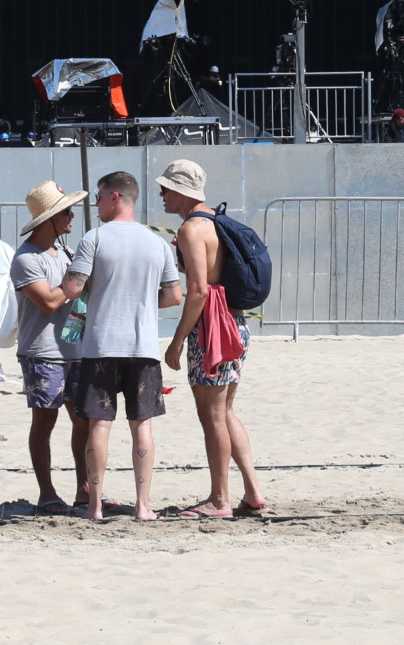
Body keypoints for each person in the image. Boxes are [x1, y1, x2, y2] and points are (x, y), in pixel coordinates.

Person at [60, 171, 184, 521]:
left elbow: (72, 289)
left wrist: (76, 277)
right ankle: (143, 505)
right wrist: (139, 299)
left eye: (98, 197)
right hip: (142, 346)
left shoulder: (95, 238)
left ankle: (96, 506)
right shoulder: (156, 242)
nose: (95, 204)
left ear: (115, 197)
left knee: (100, 425)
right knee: (142, 425)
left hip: (101, 345)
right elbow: (174, 296)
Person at [159, 160, 267, 519]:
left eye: (166, 188)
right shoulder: (214, 223)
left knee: (213, 417)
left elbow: (198, 291)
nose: (161, 194)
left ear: (182, 191)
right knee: (225, 412)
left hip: (212, 329)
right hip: (233, 324)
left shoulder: (193, 229)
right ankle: (252, 492)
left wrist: (177, 341)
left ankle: (219, 500)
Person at [10, 178, 89, 515]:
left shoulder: (65, 252)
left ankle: (85, 489)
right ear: (50, 219)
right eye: (66, 211)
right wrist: (79, 278)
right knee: (45, 423)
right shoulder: (27, 258)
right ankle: (47, 493)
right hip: (43, 352)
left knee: (83, 421)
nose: (72, 217)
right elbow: (49, 301)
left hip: (74, 348)